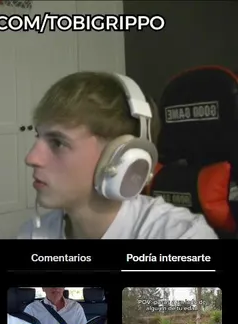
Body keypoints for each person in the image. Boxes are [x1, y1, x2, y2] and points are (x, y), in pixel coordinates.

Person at [19, 72, 217, 239]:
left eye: (58, 143)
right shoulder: (32, 234)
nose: (31, 158)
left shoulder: (182, 236)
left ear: (122, 159)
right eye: (38, 136)